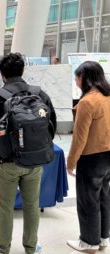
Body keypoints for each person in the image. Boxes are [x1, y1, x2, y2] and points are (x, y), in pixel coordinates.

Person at [0, 53, 57, 254]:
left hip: (5, 162)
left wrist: (5, 142)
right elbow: (51, 127)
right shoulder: (40, 95)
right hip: (34, 161)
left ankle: (3, 248)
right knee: (32, 205)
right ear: (23, 71)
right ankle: (31, 247)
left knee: (5, 207)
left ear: (2, 74)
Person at [66, 61, 110, 253]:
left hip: (91, 158)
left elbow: (80, 138)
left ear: (84, 78)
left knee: (88, 201)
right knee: (104, 196)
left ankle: (88, 242)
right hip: (108, 156)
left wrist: (71, 162)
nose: (76, 81)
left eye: (77, 77)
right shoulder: (107, 96)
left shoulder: (86, 102)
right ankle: (103, 238)